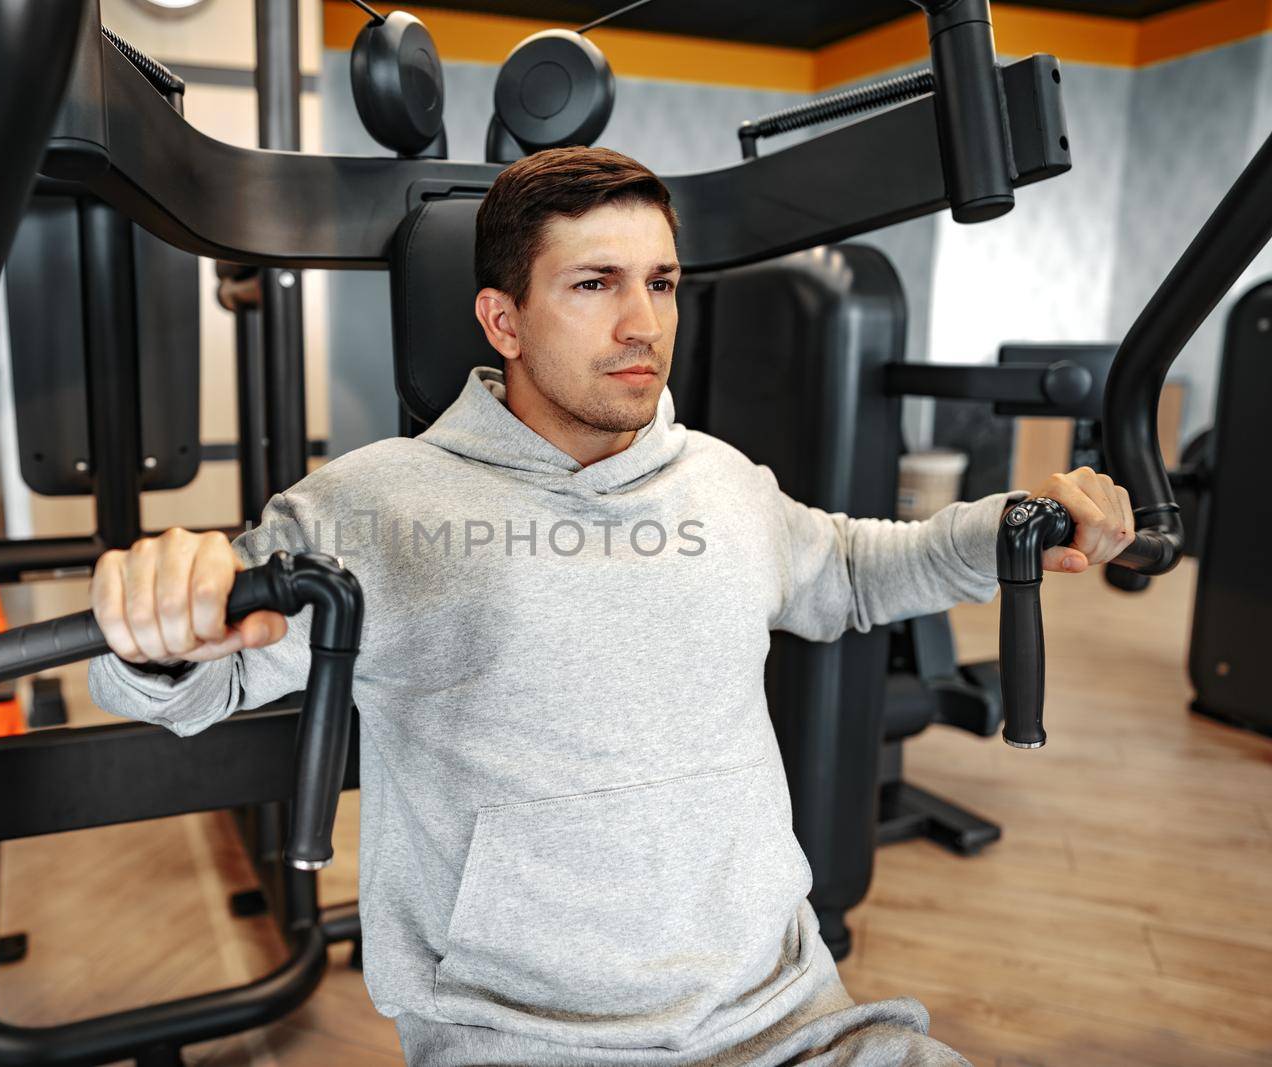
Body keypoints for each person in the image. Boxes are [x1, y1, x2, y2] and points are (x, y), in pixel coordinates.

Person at [88, 147, 1135, 1066]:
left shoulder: (721, 479)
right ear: (502, 317)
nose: (644, 323)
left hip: (791, 1014)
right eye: (595, 283)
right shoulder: (374, 506)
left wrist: (1009, 524)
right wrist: (157, 625)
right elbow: (194, 676)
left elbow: (854, 570)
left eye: (662, 283)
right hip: (523, 1035)